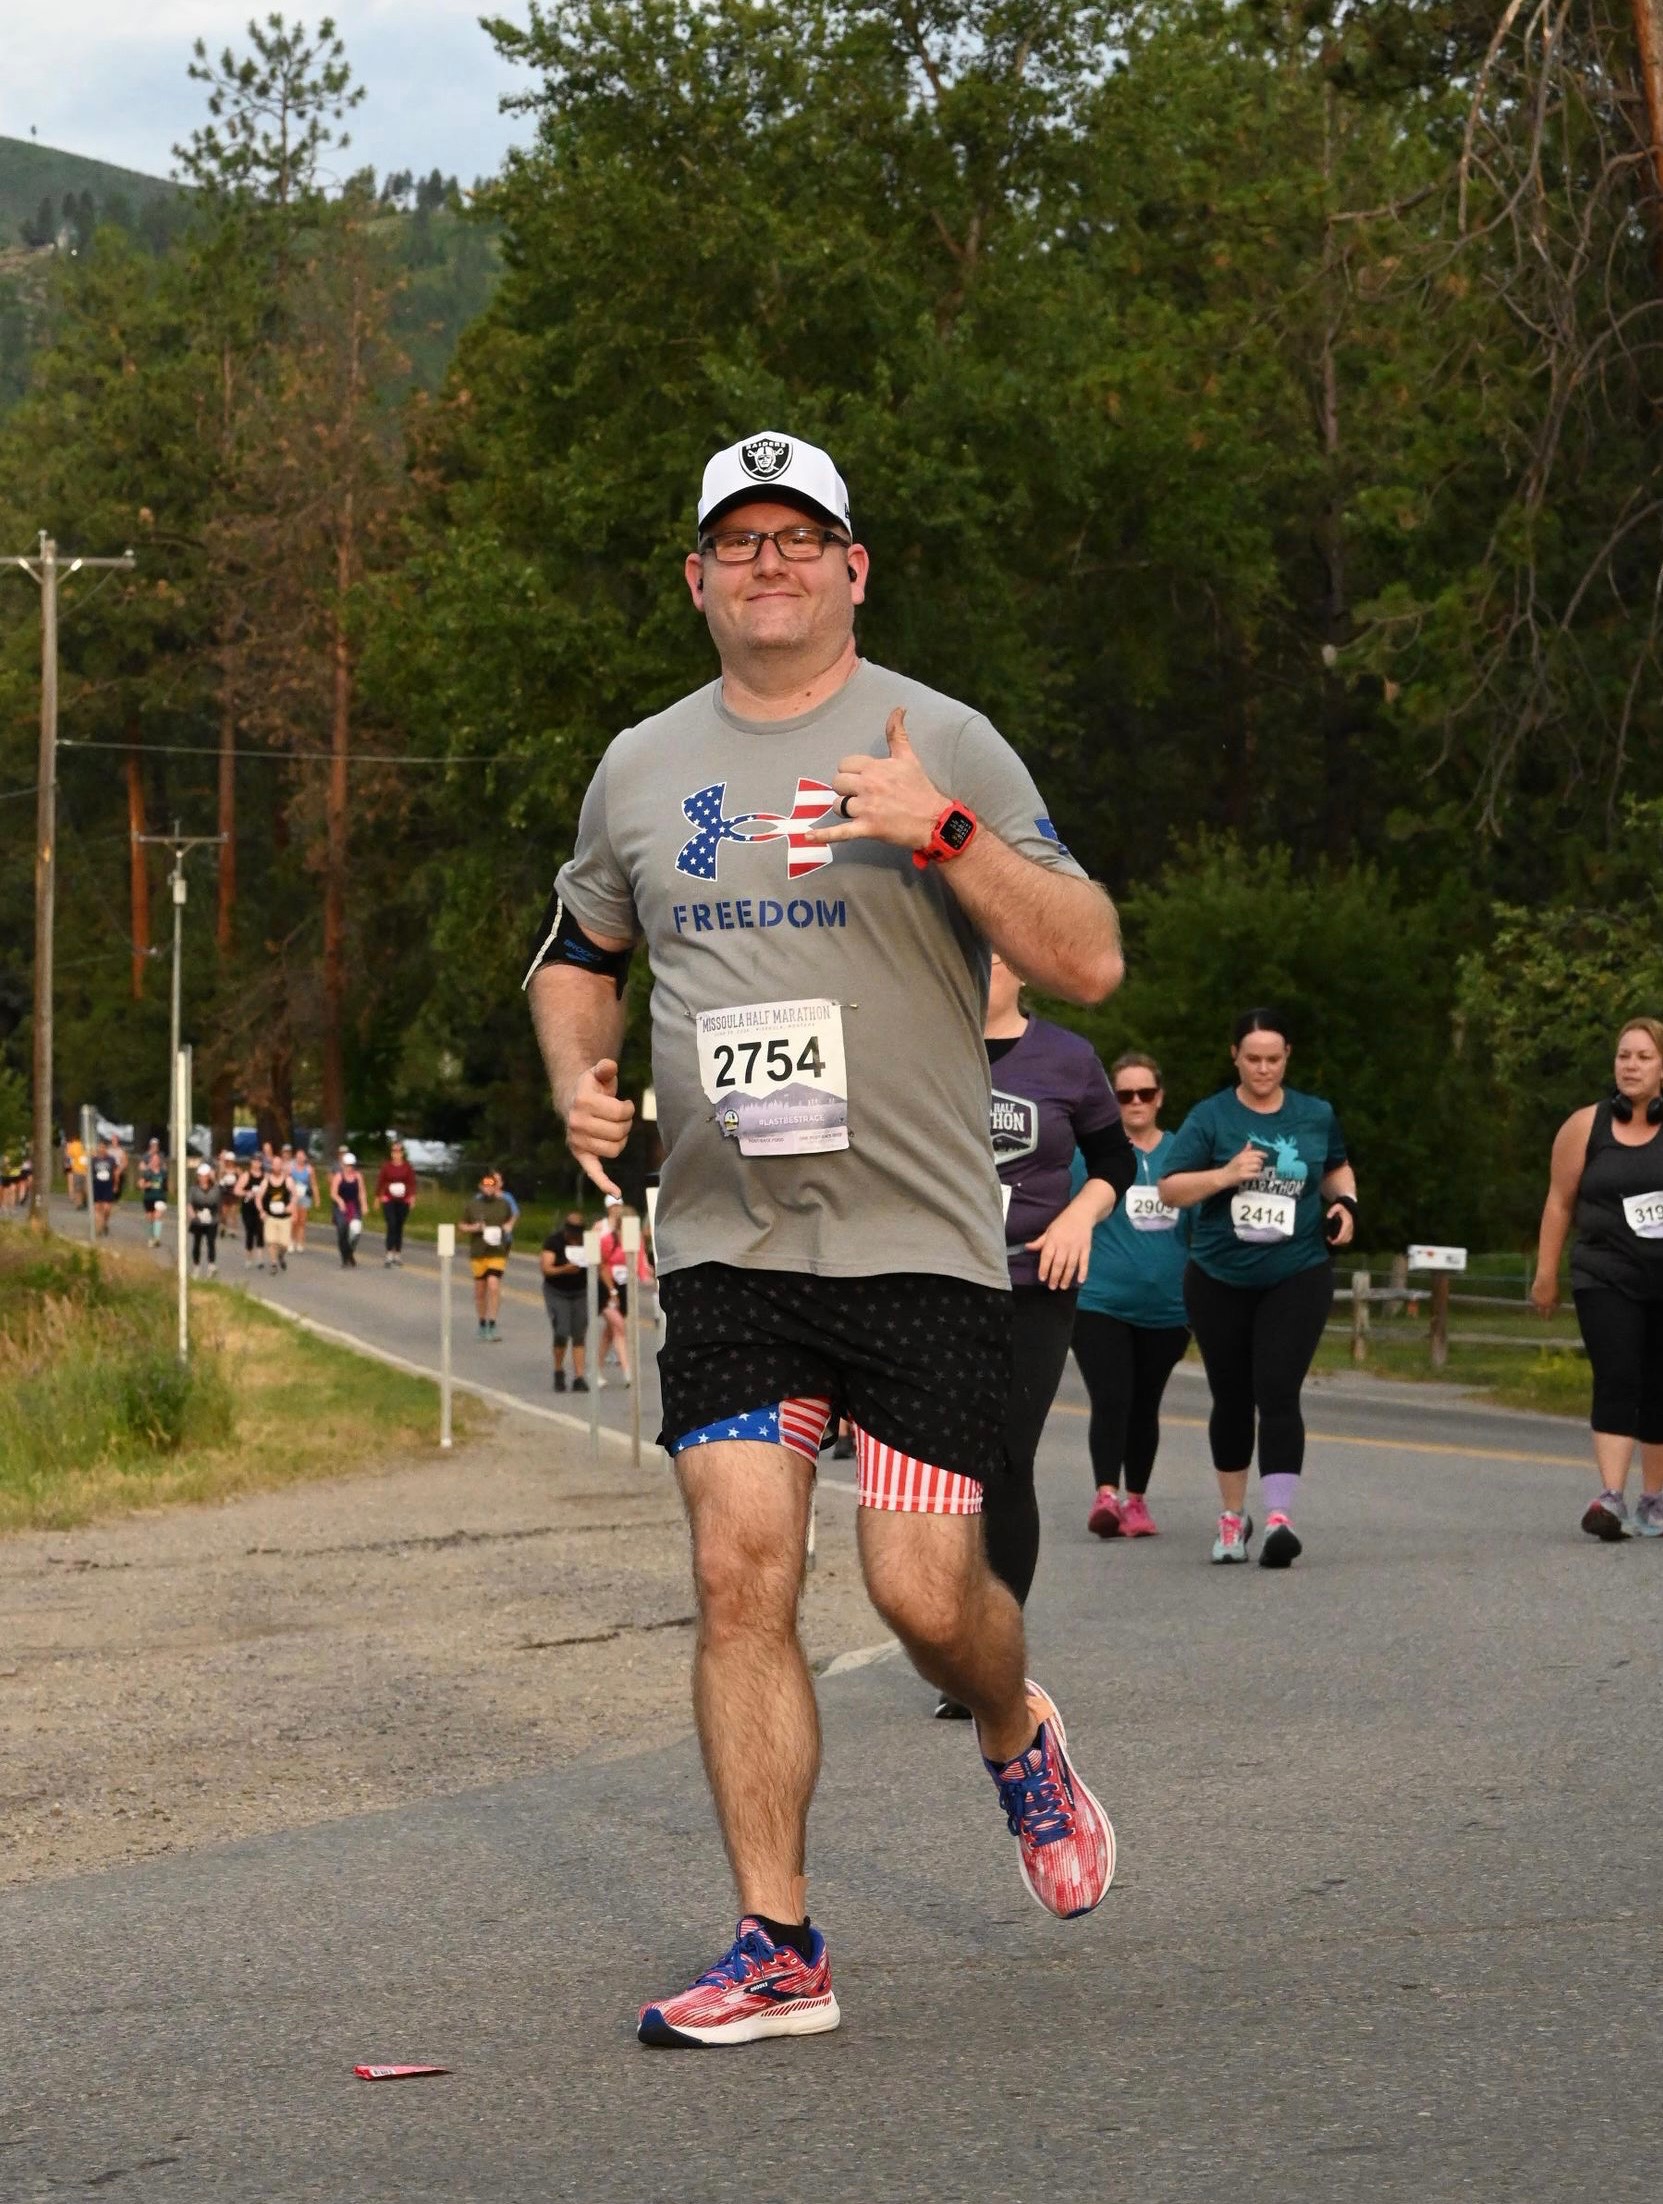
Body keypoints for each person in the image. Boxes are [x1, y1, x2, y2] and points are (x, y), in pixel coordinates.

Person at [526, 428, 1123, 2047]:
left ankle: (1010, 1720)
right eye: (739, 539)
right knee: (738, 1572)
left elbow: (1087, 957)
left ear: (852, 568)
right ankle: (776, 1942)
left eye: (799, 536)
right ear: (695, 577)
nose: (768, 561)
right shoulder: (638, 764)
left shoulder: (945, 738)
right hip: (728, 1246)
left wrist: (944, 831)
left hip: (917, 1241)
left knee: (924, 1595)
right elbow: (577, 949)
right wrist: (576, 1069)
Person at [933, 952, 1132, 1718]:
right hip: (933, 1283)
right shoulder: (917, 1038)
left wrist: (1079, 1215)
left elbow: (1113, 1157)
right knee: (944, 1468)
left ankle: (992, 1659)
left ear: (1020, 967)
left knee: (1007, 1458)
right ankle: (947, 1636)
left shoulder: (1067, 1058)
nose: (978, 966)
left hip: (1032, 1282)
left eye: (992, 954)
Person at [1158, 1011, 1356, 1570]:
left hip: (1297, 1272)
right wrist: (1225, 1174)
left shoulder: (1315, 1114)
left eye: (1273, 1059)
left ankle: (1278, 1519)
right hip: (1219, 1277)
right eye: (1253, 1059)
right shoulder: (1210, 1116)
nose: (1263, 1069)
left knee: (1278, 1389)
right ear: (1235, 1057)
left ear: (1287, 1056)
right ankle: (1232, 1515)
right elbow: (1170, 1189)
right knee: (1232, 1397)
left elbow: (1336, 1168)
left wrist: (1346, 1205)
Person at [1531, 1016, 1663, 1540]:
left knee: (1658, 1385)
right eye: (1623, 1055)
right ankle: (1611, 1498)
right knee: (1617, 1376)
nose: (1631, 1066)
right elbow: (1559, 1202)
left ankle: (1655, 1500)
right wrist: (1546, 1273)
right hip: (1605, 1274)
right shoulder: (1585, 1126)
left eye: (1644, 1057)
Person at [1073, 1054, 1194, 1541]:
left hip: (1167, 1307)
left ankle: (1137, 1500)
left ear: (1160, 1097)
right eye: (1124, 1095)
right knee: (1111, 1397)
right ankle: (1106, 1495)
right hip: (1100, 1301)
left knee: (1145, 1405)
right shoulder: (1090, 1155)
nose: (1136, 1103)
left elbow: (1205, 1221)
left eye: (1145, 1093)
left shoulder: (1184, 1154)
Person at [459, 1168, 514, 1339]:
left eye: (492, 1185)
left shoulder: (503, 1204)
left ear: (496, 1187)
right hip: (478, 1252)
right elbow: (462, 1225)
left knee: (493, 1285)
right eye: (486, 1185)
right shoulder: (472, 1205)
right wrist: (474, 1228)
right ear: (481, 1186)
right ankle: (482, 1323)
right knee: (480, 1291)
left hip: (497, 1251)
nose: (488, 1188)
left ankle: (492, 1323)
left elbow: (511, 1218)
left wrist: (508, 1227)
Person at [541, 1208, 591, 1392]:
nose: (575, 1237)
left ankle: (579, 1377)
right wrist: (565, 1269)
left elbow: (598, 1264)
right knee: (561, 1330)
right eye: (572, 1232)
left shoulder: (587, 1242)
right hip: (557, 1291)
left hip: (580, 1291)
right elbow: (546, 1268)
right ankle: (558, 1371)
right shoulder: (554, 1242)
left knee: (579, 1332)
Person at [375, 1142, 417, 1267]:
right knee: (391, 1224)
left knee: (399, 1226)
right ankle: (389, 1253)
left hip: (403, 1200)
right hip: (389, 1199)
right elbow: (380, 1182)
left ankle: (397, 1254)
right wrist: (378, 1198)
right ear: (391, 1153)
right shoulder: (386, 1167)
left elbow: (412, 1183)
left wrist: (412, 1198)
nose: (396, 1154)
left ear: (402, 1153)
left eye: (399, 1151)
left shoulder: (407, 1167)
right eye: (394, 1151)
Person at [329, 1151, 367, 1268]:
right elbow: (333, 1193)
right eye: (347, 1165)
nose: (349, 1168)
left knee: (356, 1231)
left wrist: (364, 1204)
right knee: (342, 1231)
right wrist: (340, 1201)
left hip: (354, 1206)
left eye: (351, 1165)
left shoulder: (358, 1176)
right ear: (343, 1165)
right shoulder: (338, 1176)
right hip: (341, 1207)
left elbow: (361, 1192)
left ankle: (350, 1252)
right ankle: (344, 1258)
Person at [259, 1156, 295, 1273]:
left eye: (279, 1164)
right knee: (271, 1241)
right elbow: (258, 1197)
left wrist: (291, 1206)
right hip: (271, 1217)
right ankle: (273, 1263)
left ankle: (281, 1255)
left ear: (282, 1166)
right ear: (272, 1166)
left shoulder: (288, 1180)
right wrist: (262, 1211)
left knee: (284, 1244)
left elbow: (295, 1195)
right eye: (274, 1164)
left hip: (284, 1217)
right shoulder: (266, 1181)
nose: (277, 1167)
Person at [188, 1164, 220, 1276]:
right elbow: (189, 1204)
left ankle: (211, 1265)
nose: (202, 1178)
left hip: (212, 1219)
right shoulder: (193, 1189)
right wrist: (193, 1215)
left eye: (205, 1176)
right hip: (198, 1219)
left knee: (211, 1242)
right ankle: (196, 1266)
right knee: (197, 1243)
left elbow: (218, 1203)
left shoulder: (215, 1189)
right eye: (200, 1176)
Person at [237, 1154, 267, 1269]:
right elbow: (237, 1190)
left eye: (259, 1161)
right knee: (249, 1231)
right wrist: (247, 1192)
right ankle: (248, 1258)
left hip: (261, 1208)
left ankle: (260, 1258)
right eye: (255, 1161)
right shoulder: (246, 1175)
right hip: (248, 1208)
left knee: (260, 1231)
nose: (257, 1163)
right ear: (251, 1162)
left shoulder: (265, 1176)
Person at [139, 1139, 168, 1248]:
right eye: (153, 1160)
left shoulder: (163, 1172)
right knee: (150, 1218)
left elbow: (166, 1184)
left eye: (157, 1160)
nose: (155, 1161)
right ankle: (151, 1237)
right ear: (151, 1161)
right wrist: (147, 1185)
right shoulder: (147, 1173)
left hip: (160, 1197)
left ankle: (157, 1238)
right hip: (149, 1197)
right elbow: (140, 1184)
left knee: (157, 1216)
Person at [88, 1137, 119, 1236]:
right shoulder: (94, 1160)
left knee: (106, 1209)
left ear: (106, 1148)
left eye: (103, 1147)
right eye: (99, 1147)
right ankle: (99, 1228)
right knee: (97, 1208)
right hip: (96, 1185)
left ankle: (105, 1223)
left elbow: (115, 1173)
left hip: (108, 1185)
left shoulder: (111, 1159)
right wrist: (88, 1186)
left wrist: (115, 1185)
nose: (101, 1149)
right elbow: (89, 1174)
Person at [289, 1146, 314, 1253]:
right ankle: (291, 1241)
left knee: (302, 1221)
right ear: (295, 1158)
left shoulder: (309, 1169)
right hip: (294, 1197)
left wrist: (316, 1197)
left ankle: (300, 1243)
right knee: (294, 1220)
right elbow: (287, 1181)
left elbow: (313, 1184)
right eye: (298, 1157)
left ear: (305, 1158)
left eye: (302, 1157)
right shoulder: (291, 1168)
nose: (300, 1159)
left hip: (304, 1197)